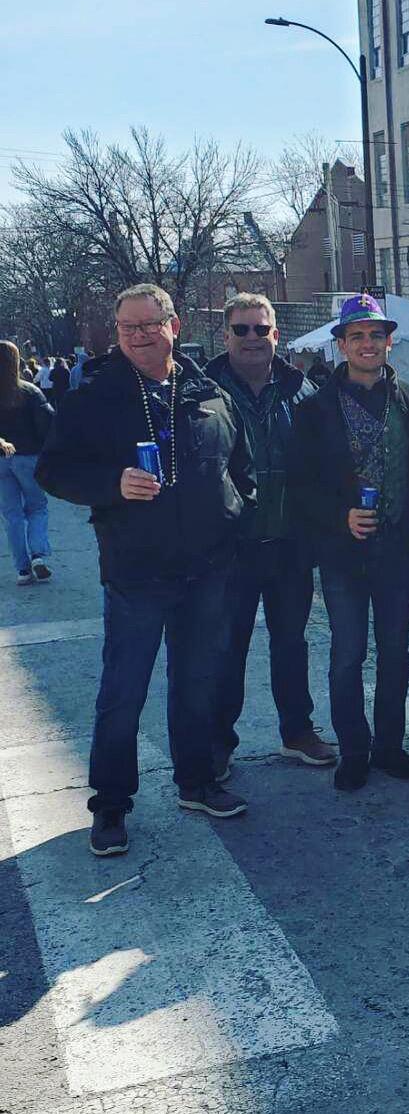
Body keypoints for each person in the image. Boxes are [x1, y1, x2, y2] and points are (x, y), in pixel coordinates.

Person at [36, 283, 255, 856]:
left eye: (148, 324)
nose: (137, 335)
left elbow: (241, 465)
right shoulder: (95, 396)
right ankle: (110, 803)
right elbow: (53, 471)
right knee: (122, 690)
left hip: (206, 566)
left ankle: (197, 780)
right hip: (136, 569)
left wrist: (234, 514)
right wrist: (111, 485)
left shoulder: (208, 390)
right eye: (127, 327)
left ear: (173, 325)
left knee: (196, 681)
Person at [288, 294, 409, 792]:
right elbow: (299, 485)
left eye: (376, 335)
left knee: (395, 653)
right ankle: (354, 748)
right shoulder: (314, 409)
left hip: (398, 551)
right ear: (341, 344)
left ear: (389, 342)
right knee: (347, 653)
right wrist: (338, 515)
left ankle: (389, 744)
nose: (368, 344)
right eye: (357, 336)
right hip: (343, 554)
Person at [205, 293, 334, 779]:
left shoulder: (301, 391)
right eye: (241, 329)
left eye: (261, 329)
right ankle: (219, 742)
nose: (252, 338)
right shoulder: (204, 389)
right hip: (230, 547)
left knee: (290, 642)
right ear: (226, 335)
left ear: (276, 334)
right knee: (228, 647)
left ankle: (297, 731)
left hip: (290, 543)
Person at [0, 341, 55, 584]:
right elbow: (48, 426)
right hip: (29, 457)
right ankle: (38, 555)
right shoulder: (30, 392)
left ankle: (22, 569)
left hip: (2, 461)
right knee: (37, 506)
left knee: (12, 515)